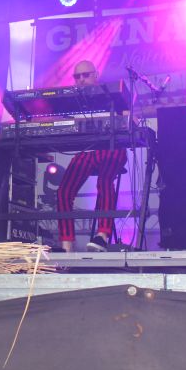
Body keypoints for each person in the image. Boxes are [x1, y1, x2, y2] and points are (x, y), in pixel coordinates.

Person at [57, 60, 127, 252]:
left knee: (104, 180)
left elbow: (129, 118)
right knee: (63, 191)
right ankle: (67, 245)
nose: (81, 79)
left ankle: (102, 236)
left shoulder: (112, 95)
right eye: (77, 76)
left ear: (96, 75)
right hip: (88, 150)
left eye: (85, 75)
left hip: (112, 149)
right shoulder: (72, 101)